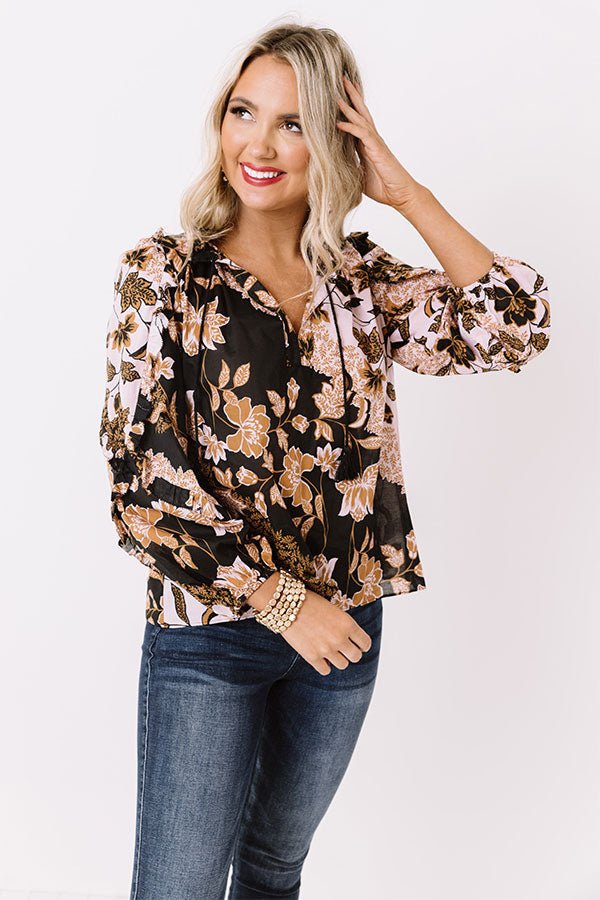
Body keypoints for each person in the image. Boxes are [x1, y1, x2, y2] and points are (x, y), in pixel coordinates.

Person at [98, 21, 551, 900]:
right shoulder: (165, 278)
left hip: (344, 632)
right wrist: (284, 603)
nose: (259, 145)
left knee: (274, 869)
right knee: (179, 886)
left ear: (339, 142)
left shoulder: (362, 284)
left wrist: (405, 192)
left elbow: (515, 323)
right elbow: (142, 488)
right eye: (243, 113)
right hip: (213, 636)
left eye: (295, 123)